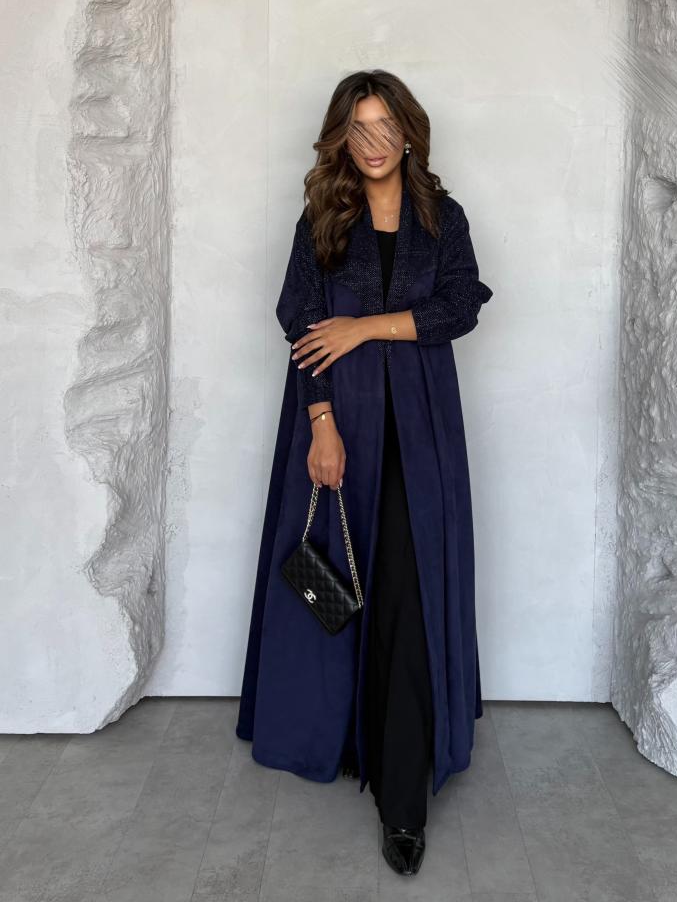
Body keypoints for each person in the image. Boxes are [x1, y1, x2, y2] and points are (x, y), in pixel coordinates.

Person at [236, 69, 493, 877]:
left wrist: (364, 327)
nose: (373, 142)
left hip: (421, 428)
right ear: (340, 137)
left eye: (386, 126)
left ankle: (402, 797)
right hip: (338, 423)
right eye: (358, 128)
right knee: (340, 585)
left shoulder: (440, 217)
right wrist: (320, 423)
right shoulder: (323, 214)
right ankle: (340, 733)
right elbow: (300, 322)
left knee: (409, 595)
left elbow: (461, 304)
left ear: (408, 133)